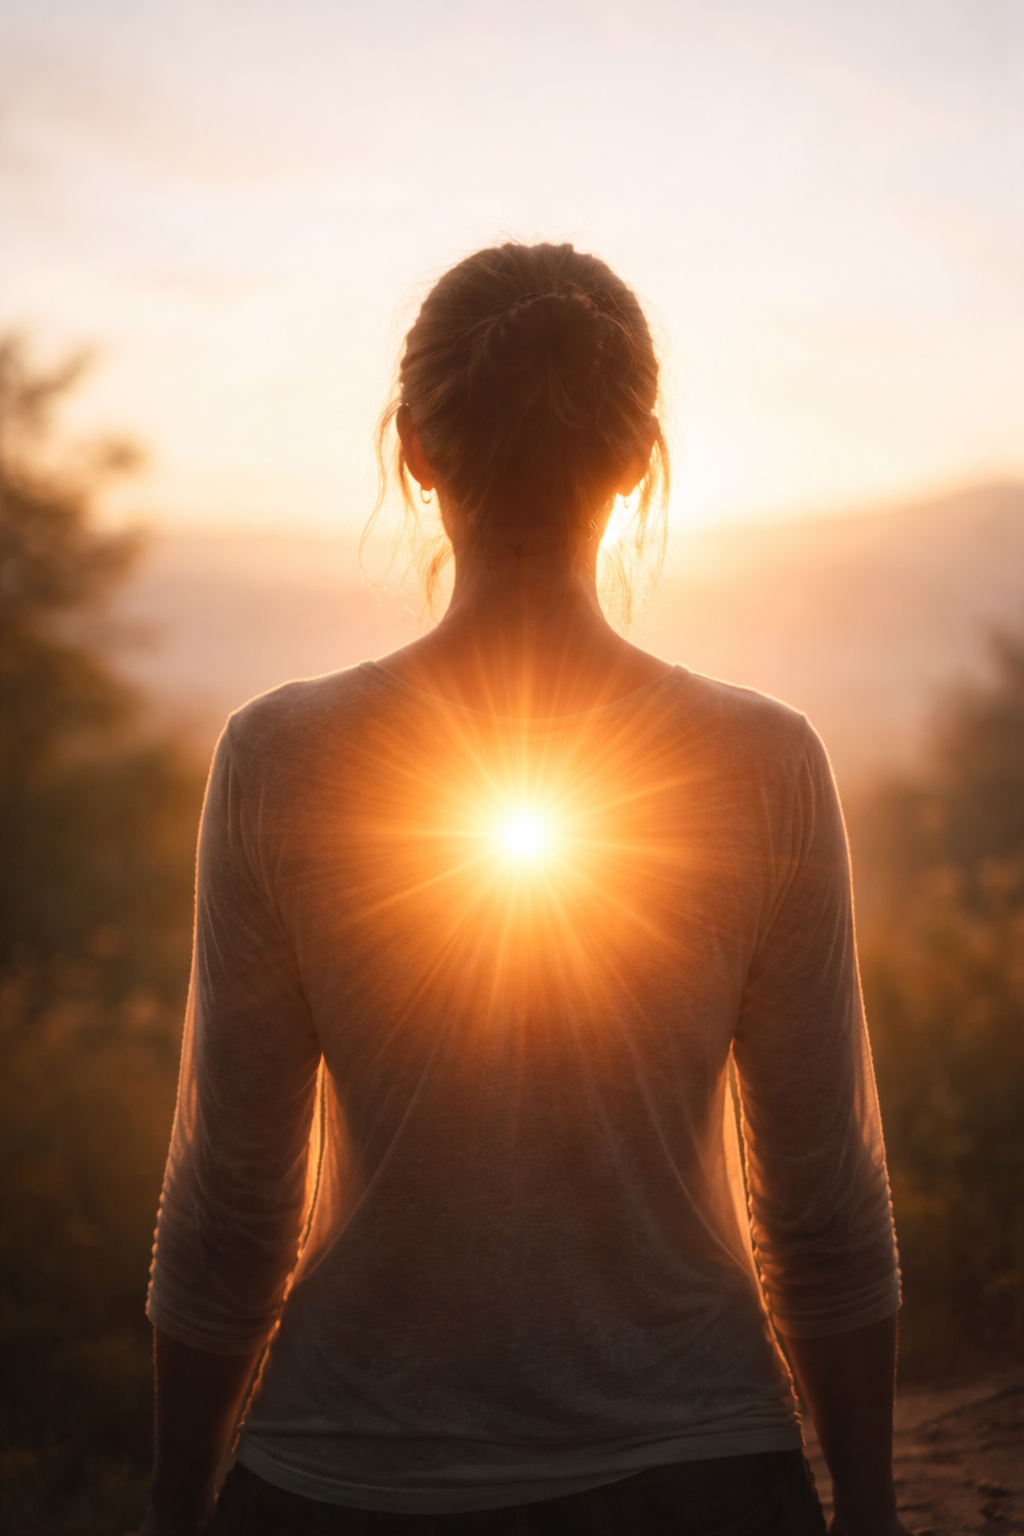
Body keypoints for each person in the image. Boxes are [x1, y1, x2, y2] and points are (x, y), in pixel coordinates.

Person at [142, 243, 908, 1536]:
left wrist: (172, 1511)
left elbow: (233, 1208)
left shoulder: (279, 759)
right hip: (700, 1477)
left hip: (350, 1478)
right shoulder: (764, 760)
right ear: (638, 457)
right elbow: (821, 1201)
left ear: (416, 452)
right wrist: (873, 1510)